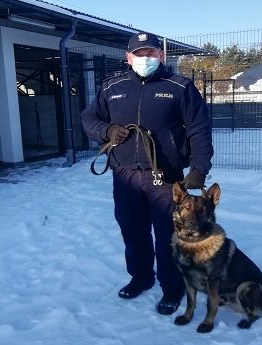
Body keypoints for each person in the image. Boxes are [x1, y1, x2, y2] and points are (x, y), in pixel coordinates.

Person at [81, 31, 213, 315]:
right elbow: (88, 118)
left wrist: (199, 168)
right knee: (133, 231)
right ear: (129, 58)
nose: (145, 58)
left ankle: (172, 288)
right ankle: (141, 278)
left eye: (150, 53)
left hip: (166, 178)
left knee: (168, 236)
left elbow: (199, 129)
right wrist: (106, 131)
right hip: (125, 175)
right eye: (139, 54)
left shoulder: (179, 86)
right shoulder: (111, 87)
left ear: (160, 56)